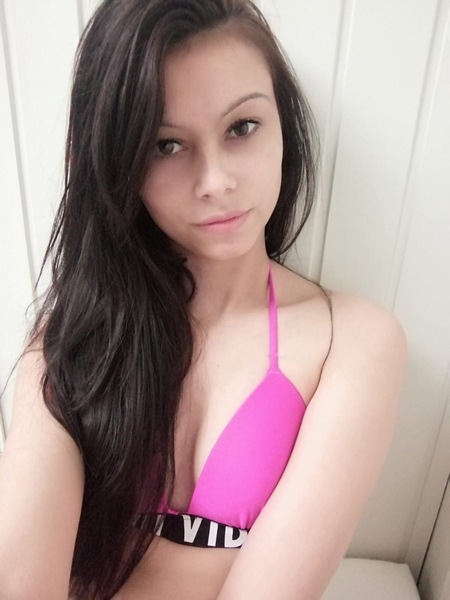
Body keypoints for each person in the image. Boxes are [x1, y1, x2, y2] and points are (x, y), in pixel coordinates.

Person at [0, 1, 406, 599]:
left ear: (284, 126)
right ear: (120, 163)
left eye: (242, 127)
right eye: (166, 145)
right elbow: (22, 582)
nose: (215, 181)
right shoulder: (72, 340)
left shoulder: (351, 340)